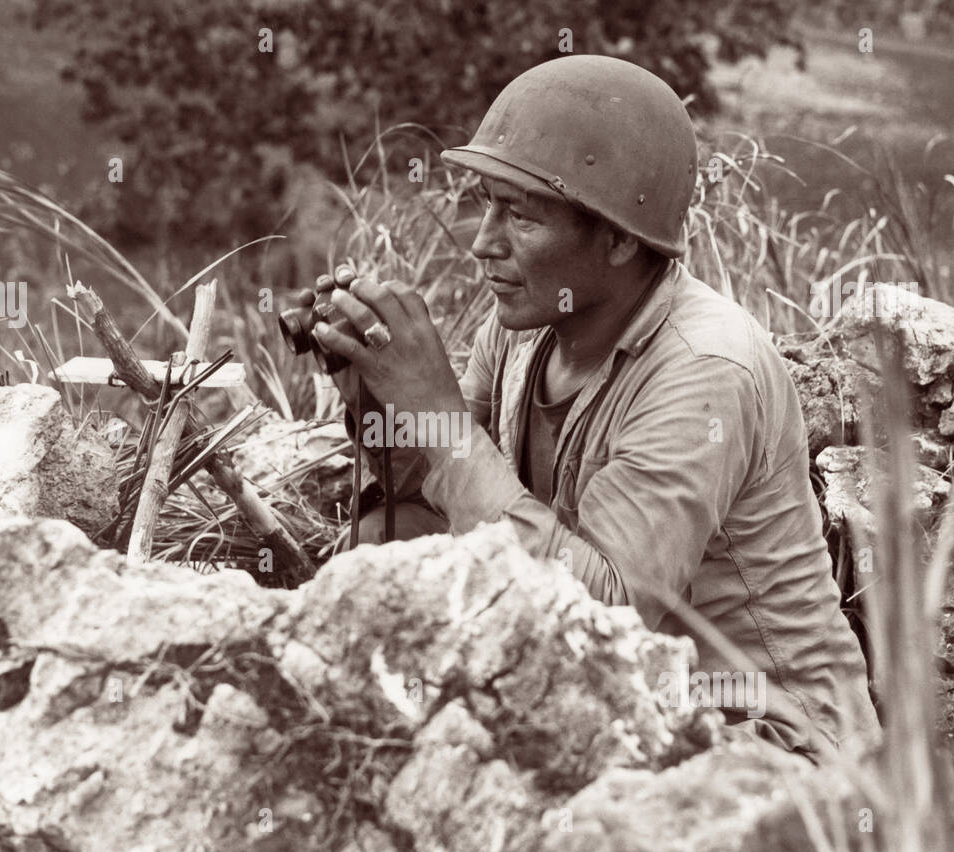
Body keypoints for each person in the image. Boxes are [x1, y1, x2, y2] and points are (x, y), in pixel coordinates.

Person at [308, 55, 879, 758]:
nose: (484, 244)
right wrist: (379, 392)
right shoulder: (521, 328)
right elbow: (444, 509)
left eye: (520, 215)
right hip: (618, 701)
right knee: (376, 549)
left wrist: (442, 412)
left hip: (768, 739)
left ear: (616, 238)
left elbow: (604, 611)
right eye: (486, 203)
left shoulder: (705, 369)